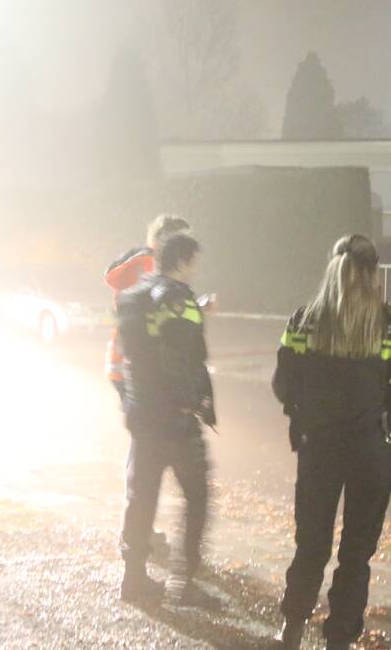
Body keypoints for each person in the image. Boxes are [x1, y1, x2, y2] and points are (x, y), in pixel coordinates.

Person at [271, 234, 391, 650]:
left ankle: (292, 628)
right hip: (371, 450)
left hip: (318, 448)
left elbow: (283, 384)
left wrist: (305, 412)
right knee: (356, 551)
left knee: (311, 542)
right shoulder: (390, 325)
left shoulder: (304, 320)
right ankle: (339, 637)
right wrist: (386, 408)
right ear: (373, 275)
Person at [115, 232, 219, 608]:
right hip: (173, 419)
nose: (196, 268)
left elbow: (136, 353)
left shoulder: (136, 296)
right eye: (195, 261)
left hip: (141, 413)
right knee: (197, 496)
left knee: (142, 497)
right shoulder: (181, 299)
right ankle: (183, 582)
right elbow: (185, 358)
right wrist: (192, 402)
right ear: (184, 260)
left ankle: (133, 579)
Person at [103, 215, 191, 401]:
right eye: (183, 243)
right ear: (164, 242)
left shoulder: (143, 264)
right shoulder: (151, 268)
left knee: (147, 425)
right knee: (155, 425)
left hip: (126, 365)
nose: (188, 251)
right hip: (139, 368)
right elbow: (158, 315)